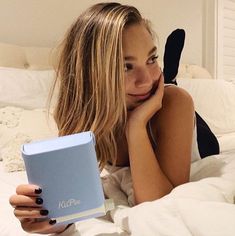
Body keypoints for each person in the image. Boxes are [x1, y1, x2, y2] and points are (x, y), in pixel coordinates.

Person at [9, 2, 196, 234]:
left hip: (197, 137)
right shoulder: (78, 115)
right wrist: (49, 220)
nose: (146, 80)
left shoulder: (174, 103)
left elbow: (160, 205)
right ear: (92, 74)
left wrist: (136, 126)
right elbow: (71, 201)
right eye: (125, 66)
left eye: (151, 59)